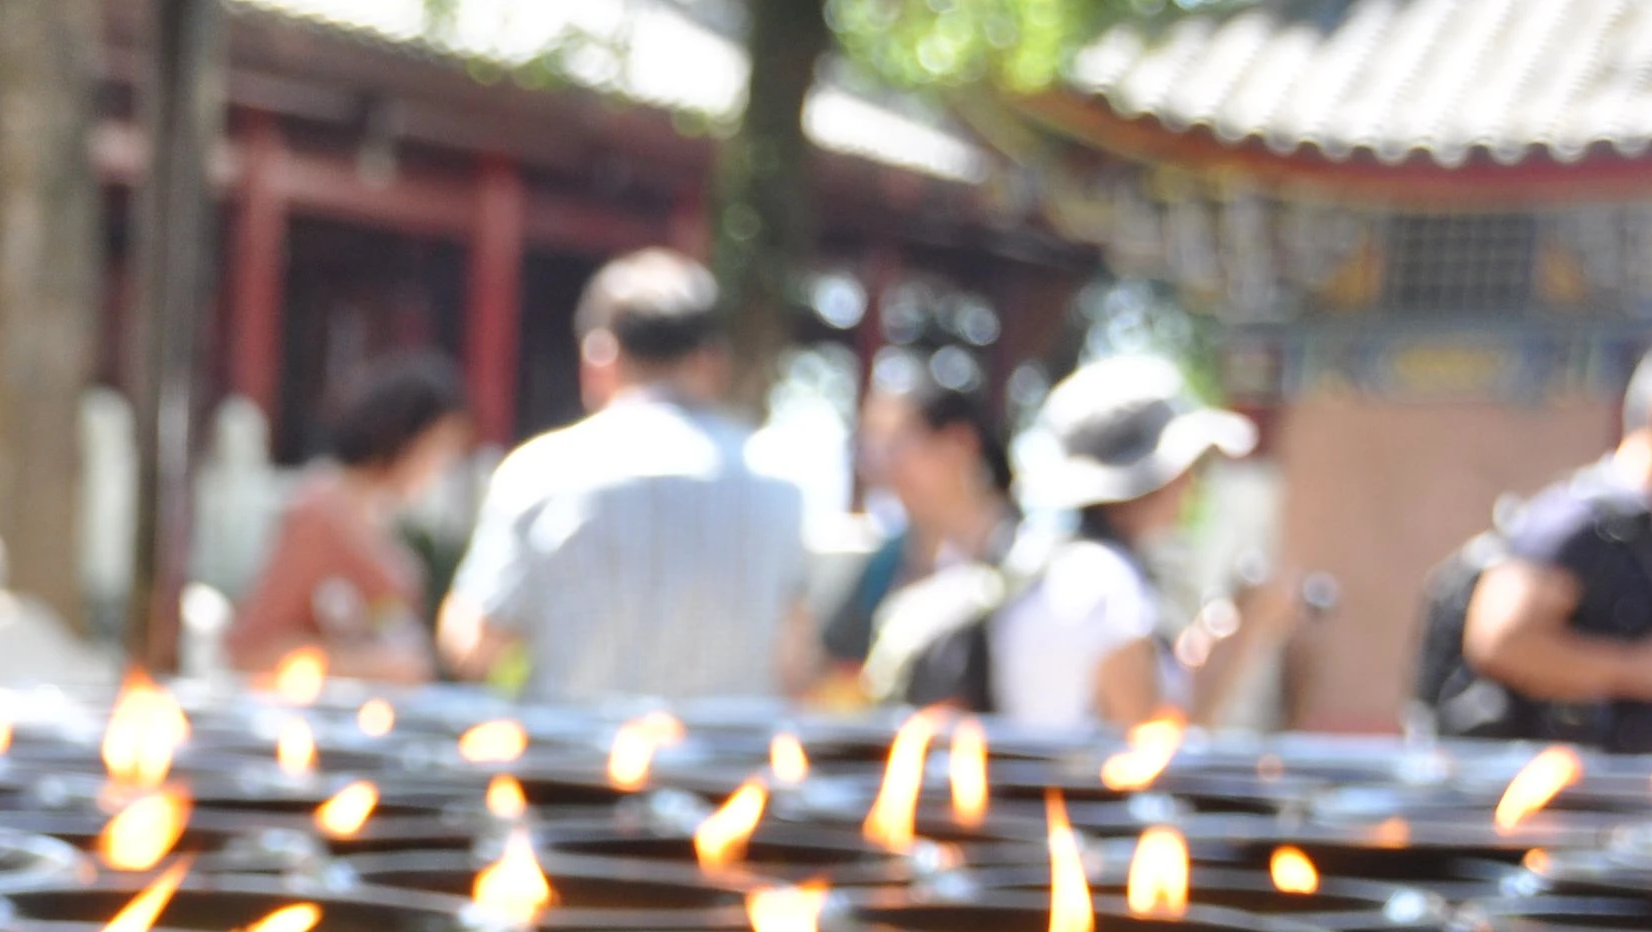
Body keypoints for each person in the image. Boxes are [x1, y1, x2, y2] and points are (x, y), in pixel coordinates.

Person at [434, 249, 811, 701]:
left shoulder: (543, 470)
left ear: (599, 358)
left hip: (579, 764)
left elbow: (473, 645)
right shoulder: (777, 479)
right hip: (736, 764)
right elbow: (796, 659)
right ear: (711, 361)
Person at [1432, 329, 1652, 752]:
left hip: (1632, 792)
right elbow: (1501, 640)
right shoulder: (1577, 520)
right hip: (1538, 792)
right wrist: (1644, 667)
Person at [987, 356, 1281, 729]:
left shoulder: (1064, 570)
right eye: (1184, 469)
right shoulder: (1104, 582)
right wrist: (1245, 639)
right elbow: (1151, 752)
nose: (1189, 485)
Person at [228, 354, 471, 682]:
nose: (440, 470)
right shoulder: (319, 512)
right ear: (404, 438)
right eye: (438, 450)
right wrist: (369, 665)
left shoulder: (377, 514)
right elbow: (250, 649)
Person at [819, 375, 1013, 687]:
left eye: (896, 445)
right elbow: (837, 671)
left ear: (958, 442)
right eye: (871, 447)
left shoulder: (1026, 558)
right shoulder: (884, 566)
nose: (881, 466)